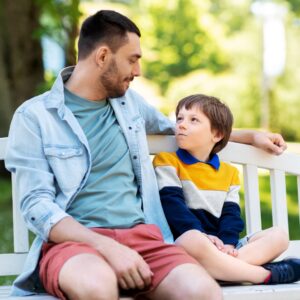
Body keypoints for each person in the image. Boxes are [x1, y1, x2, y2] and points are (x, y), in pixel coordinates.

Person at [5, 10, 286, 300]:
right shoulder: (35, 117)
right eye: (132, 59)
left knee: (203, 293)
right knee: (96, 287)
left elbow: (173, 129)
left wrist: (249, 135)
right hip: (75, 245)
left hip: (144, 240)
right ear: (102, 57)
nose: (137, 71)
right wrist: (106, 246)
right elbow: (36, 206)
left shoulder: (129, 104)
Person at [153, 94, 300, 285]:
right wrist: (205, 237)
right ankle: (257, 274)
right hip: (187, 243)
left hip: (222, 247)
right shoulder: (167, 162)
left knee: (279, 236)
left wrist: (228, 243)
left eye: (193, 120)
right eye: (180, 118)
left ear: (217, 134)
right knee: (193, 239)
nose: (181, 124)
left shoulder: (229, 173)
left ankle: (221, 271)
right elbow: (173, 207)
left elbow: (231, 215)